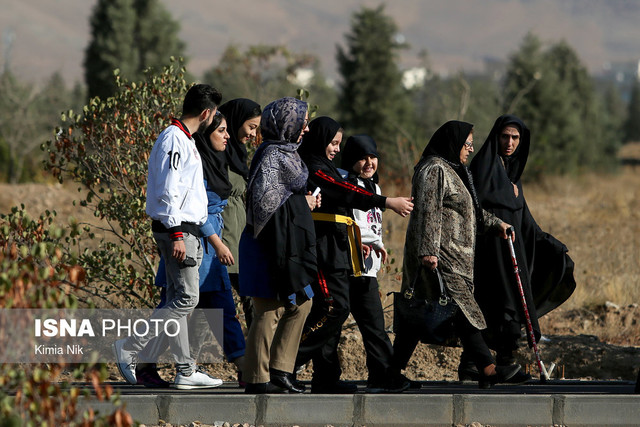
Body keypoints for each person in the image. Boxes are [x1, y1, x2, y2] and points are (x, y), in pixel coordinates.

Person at [390, 120, 521, 389]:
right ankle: (487, 368)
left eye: (472, 144)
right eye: (467, 144)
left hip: (456, 258)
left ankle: (389, 372)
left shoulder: (455, 171)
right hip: (439, 257)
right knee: (463, 310)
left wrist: (498, 225)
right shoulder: (434, 170)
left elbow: (470, 210)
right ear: (454, 142)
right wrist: (428, 251)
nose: (470, 150)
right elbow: (428, 211)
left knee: (418, 315)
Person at [114, 84, 224, 389]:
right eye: (213, 115)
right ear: (206, 113)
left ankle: (185, 370)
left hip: (185, 229)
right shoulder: (174, 139)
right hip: (178, 231)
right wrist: (177, 233)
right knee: (187, 298)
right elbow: (167, 189)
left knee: (180, 298)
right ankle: (130, 346)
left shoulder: (183, 139)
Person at [293, 117, 413, 394]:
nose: (335, 149)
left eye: (337, 144)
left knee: (346, 314)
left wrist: (362, 240)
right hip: (326, 250)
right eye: (332, 143)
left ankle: (328, 378)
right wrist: (387, 203)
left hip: (342, 251)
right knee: (334, 309)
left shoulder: (330, 169)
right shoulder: (316, 168)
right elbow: (345, 194)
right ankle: (287, 363)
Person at [134, 112, 246, 387]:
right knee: (184, 304)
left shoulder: (221, 160)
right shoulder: (197, 162)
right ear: (206, 134)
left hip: (206, 244)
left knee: (204, 308)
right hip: (195, 242)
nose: (227, 136)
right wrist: (216, 243)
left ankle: (189, 370)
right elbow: (195, 208)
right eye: (221, 130)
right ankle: (141, 355)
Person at [467, 115, 576, 382]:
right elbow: (473, 211)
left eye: (516, 138)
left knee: (512, 304)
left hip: (513, 251)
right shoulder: (483, 166)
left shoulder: (511, 171)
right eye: (505, 136)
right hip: (490, 251)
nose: (510, 142)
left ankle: (503, 362)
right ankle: (476, 364)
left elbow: (524, 219)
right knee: (493, 303)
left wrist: (548, 242)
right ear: (496, 136)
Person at [239, 97, 320, 394]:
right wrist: (303, 202)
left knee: (302, 302)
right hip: (267, 247)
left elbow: (283, 201)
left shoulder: (288, 155)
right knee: (269, 309)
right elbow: (266, 208)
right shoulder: (272, 156)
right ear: (288, 123)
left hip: (288, 245)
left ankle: (281, 371)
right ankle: (257, 379)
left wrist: (301, 202)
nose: (306, 129)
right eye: (303, 122)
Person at [340, 134, 416, 393]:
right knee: (373, 324)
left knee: (372, 324)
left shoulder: (375, 187)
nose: (369, 162)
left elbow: (373, 225)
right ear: (351, 160)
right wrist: (357, 242)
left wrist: (380, 246)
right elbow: (348, 221)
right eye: (362, 157)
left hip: (368, 264)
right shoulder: (347, 186)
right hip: (353, 264)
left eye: (373, 156)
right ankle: (385, 376)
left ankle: (381, 376)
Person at [218, 98, 262, 330]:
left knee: (251, 298)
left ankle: (252, 359)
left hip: (239, 234)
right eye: (251, 127)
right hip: (222, 236)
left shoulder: (237, 152)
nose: (253, 135)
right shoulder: (215, 151)